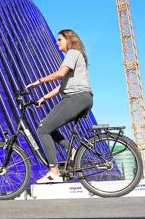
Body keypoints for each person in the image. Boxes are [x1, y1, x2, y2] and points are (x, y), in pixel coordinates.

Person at [26, 29, 93, 184]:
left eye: (59, 40)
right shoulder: (77, 56)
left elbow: (60, 74)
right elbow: (61, 87)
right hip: (83, 98)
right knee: (50, 127)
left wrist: (39, 81)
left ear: (68, 40)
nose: (57, 42)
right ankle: (74, 152)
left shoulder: (73, 53)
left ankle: (54, 171)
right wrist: (43, 98)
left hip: (76, 98)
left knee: (42, 129)